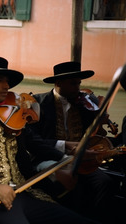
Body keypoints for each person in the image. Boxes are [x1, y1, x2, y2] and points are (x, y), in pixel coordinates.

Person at [0, 56, 96, 224]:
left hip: (23, 191)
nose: (6, 86)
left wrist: (64, 162)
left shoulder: (13, 114)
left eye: (7, 81)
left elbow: (34, 143)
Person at [26, 61, 120, 223]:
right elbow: (34, 141)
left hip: (82, 160)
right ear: (58, 83)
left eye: (79, 83)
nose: (77, 88)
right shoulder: (37, 103)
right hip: (49, 159)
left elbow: (97, 133)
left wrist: (100, 120)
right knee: (71, 187)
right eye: (73, 84)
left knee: (106, 183)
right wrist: (65, 146)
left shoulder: (85, 104)